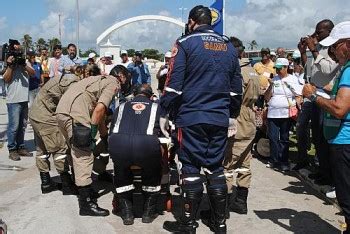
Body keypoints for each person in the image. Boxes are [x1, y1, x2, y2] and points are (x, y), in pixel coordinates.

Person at [161, 5, 242, 233]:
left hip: (191, 117)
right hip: (219, 117)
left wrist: (164, 112)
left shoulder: (185, 43)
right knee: (215, 167)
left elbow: (174, 85)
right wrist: (232, 115)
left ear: (191, 21)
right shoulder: (228, 45)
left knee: (190, 168)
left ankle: (187, 224)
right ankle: (220, 223)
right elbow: (236, 89)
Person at [302, 21, 350, 234]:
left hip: (344, 141)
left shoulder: (348, 70)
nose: (332, 51)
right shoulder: (345, 69)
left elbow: (340, 108)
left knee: (346, 196)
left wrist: (313, 96)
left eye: (335, 46)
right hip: (342, 139)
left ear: (347, 44)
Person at [56, 72, 120, 216]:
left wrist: (104, 138)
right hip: (75, 114)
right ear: (121, 76)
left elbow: (100, 116)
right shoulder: (112, 82)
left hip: (62, 112)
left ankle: (83, 186)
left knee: (75, 153)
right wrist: (90, 136)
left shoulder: (95, 80)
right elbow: (99, 110)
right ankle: (85, 204)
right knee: (83, 156)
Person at [109, 84, 162, 225]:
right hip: (146, 146)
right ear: (151, 96)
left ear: (133, 95)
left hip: (119, 145)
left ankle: (127, 214)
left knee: (121, 172)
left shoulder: (121, 106)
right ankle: (148, 214)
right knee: (153, 172)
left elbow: (112, 129)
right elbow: (165, 130)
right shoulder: (157, 107)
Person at [29, 66, 86, 194]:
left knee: (42, 149)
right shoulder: (73, 83)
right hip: (45, 117)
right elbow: (72, 105)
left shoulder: (65, 78)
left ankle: (46, 183)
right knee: (60, 149)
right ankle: (66, 184)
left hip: (36, 114)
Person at [298, 19, 341, 185]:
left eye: (319, 32)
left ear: (329, 31)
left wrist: (314, 49)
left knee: (326, 139)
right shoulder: (321, 49)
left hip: (328, 97)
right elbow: (310, 70)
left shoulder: (335, 49)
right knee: (317, 137)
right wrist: (303, 52)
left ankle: (331, 176)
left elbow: (328, 69)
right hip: (315, 97)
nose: (315, 35)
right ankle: (323, 171)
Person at [223, 36, 260, 215]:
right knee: (245, 164)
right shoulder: (253, 70)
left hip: (236, 118)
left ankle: (224, 207)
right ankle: (241, 202)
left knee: (227, 165)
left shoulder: (236, 70)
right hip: (250, 118)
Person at [264, 58, 303, 172]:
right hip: (273, 113)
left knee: (284, 138)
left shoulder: (293, 79)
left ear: (286, 68)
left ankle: (284, 161)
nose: (278, 70)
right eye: (277, 68)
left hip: (286, 113)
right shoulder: (273, 80)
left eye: (280, 68)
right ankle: (274, 159)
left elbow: (298, 95)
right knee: (273, 137)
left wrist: (298, 105)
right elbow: (267, 97)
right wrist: (270, 86)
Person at [3, 39, 35, 160]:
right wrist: (10, 66)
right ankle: (12, 149)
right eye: (14, 48)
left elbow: (32, 73)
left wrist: (24, 65)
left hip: (24, 98)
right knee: (13, 126)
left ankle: (21, 147)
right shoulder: (7, 62)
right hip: (13, 100)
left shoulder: (25, 61)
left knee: (22, 125)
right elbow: (6, 79)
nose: (17, 50)